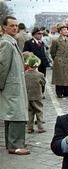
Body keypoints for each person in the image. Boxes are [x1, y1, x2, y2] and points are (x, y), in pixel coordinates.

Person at [0, 16, 30, 155]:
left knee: (12, 114)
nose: (14, 28)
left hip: (14, 84)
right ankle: (15, 145)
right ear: (4, 27)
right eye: (11, 25)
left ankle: (11, 142)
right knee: (16, 114)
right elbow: (2, 66)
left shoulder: (11, 41)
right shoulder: (6, 43)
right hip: (11, 85)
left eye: (16, 25)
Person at [23, 28, 50, 93]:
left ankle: (42, 92)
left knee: (42, 78)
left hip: (42, 64)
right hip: (33, 64)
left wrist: (47, 62)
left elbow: (43, 53)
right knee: (34, 79)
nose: (40, 35)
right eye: (39, 34)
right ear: (34, 35)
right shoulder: (29, 42)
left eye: (41, 34)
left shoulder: (42, 43)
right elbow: (25, 53)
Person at [50, 23, 68, 98]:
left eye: (66, 30)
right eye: (64, 30)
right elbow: (52, 52)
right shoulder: (56, 41)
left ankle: (67, 91)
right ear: (60, 31)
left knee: (67, 76)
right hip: (59, 59)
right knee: (59, 77)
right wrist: (56, 59)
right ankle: (59, 92)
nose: (66, 31)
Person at [25, 55, 47, 134]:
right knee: (39, 111)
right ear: (37, 65)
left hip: (28, 96)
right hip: (37, 96)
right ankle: (40, 126)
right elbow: (43, 83)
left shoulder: (25, 74)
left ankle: (29, 127)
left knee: (29, 112)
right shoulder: (40, 75)